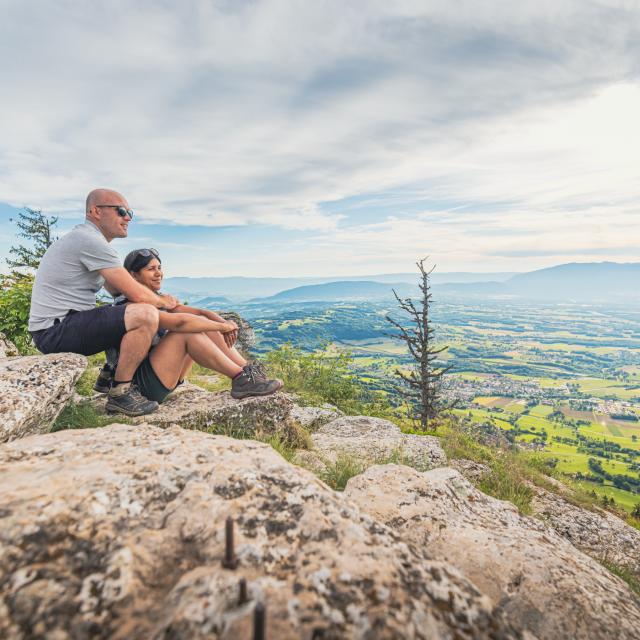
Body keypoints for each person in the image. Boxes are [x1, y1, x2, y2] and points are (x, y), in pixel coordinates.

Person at [28, 189, 179, 416]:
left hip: (59, 326)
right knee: (144, 314)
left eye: (129, 212)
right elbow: (136, 297)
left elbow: (118, 292)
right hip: (55, 330)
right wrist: (162, 301)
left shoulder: (88, 240)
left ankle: (109, 373)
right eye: (120, 211)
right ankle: (120, 393)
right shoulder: (89, 241)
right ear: (96, 211)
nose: (127, 217)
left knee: (121, 310)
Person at [93, 247, 283, 404]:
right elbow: (181, 322)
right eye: (151, 269)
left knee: (204, 323)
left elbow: (198, 313)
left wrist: (219, 321)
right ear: (133, 276)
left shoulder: (158, 300)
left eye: (159, 267)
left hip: (160, 374)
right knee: (185, 333)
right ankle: (239, 379)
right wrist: (220, 327)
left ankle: (248, 373)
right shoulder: (129, 305)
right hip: (137, 386)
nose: (159, 273)